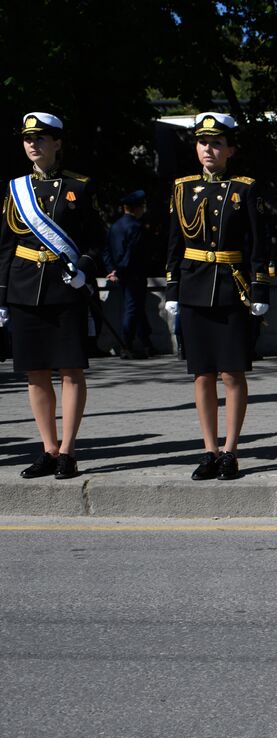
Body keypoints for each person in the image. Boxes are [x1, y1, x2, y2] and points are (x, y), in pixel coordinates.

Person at [163, 112, 270, 481]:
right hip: (194, 286)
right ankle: (208, 448)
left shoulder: (245, 188)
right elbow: (175, 243)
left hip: (231, 287)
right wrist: (172, 287)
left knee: (232, 373)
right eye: (203, 142)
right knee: (201, 374)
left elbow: (258, 243)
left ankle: (231, 450)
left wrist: (259, 287)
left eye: (217, 143)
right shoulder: (182, 188)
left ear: (231, 149)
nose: (209, 149)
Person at [0, 112, 105, 479]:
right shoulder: (16, 190)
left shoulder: (81, 186)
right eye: (28, 138)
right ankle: (46, 448)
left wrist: (85, 268)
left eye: (41, 138)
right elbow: (6, 246)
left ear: (57, 143)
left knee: (71, 370)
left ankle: (68, 451)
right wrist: (1, 296)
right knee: (35, 372)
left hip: (66, 288)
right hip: (24, 287)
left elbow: (96, 240)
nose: (33, 144)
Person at [107, 190, 151, 358]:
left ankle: (146, 342)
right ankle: (126, 345)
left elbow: (107, 250)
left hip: (122, 272)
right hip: (134, 273)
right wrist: (118, 270)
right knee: (132, 309)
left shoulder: (115, 226)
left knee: (137, 308)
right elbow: (131, 253)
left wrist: (111, 269)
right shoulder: (136, 227)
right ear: (137, 208)